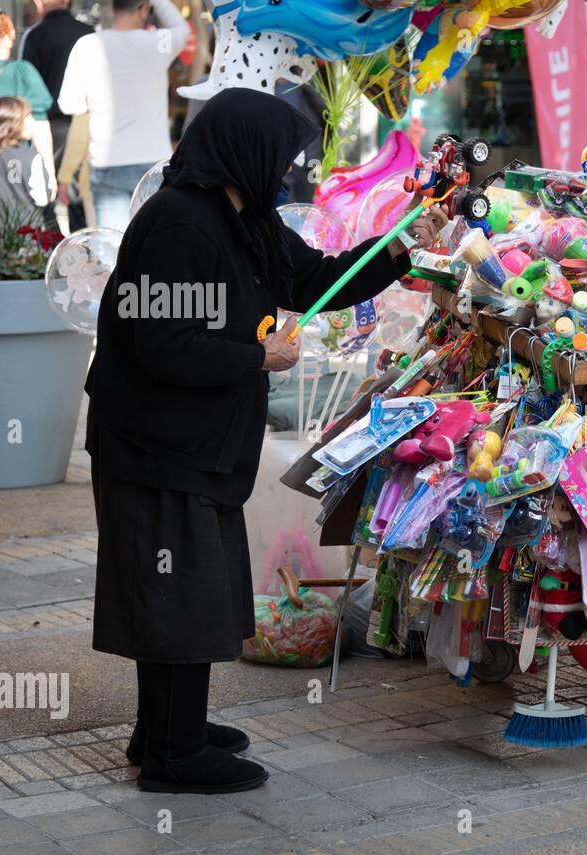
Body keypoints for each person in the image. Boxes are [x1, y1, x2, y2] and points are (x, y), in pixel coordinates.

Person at [86, 88, 448, 795]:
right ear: (242, 150)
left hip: (198, 446)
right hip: (154, 446)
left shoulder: (242, 217)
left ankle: (162, 731)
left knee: (186, 593)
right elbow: (164, 345)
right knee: (178, 595)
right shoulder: (178, 226)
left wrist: (404, 249)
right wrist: (258, 358)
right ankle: (174, 755)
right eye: (280, 157)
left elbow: (315, 276)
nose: (287, 171)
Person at [56, 0, 190, 231]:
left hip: (108, 163)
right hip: (153, 162)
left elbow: (69, 105)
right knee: (154, 242)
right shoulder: (157, 43)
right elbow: (182, 28)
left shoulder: (87, 45)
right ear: (143, 9)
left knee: (114, 248)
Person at [18, 0, 93, 228]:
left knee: (49, 193)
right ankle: (86, 248)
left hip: (48, 126)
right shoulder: (89, 33)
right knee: (82, 196)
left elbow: (26, 87)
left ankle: (57, 249)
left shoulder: (34, 35)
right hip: (87, 123)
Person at [0, 4, 55, 196]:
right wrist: (49, 172)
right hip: (16, 175)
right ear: (5, 38)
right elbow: (40, 125)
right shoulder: (21, 72)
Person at [0, 96, 54, 227]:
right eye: (28, 117)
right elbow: (42, 199)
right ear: (13, 123)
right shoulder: (31, 156)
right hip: (28, 234)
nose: (33, 121)